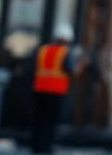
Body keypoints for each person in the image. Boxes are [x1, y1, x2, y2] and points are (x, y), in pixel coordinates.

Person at [31, 24, 79, 155]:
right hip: (55, 91)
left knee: (38, 119)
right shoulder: (64, 52)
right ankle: (46, 147)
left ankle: (36, 146)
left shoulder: (42, 50)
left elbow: (33, 67)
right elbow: (70, 70)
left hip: (39, 89)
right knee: (50, 121)